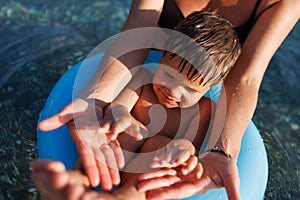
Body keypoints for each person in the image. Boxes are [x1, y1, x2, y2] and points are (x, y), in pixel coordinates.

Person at [36, 0, 300, 199]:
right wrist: (109, 110)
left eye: (189, 90)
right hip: (129, 132)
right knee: (111, 137)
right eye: (170, 78)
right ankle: (73, 181)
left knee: (156, 160)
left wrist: (212, 151)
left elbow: (245, 78)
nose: (174, 91)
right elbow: (138, 31)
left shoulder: (204, 109)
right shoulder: (144, 86)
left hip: (149, 165)